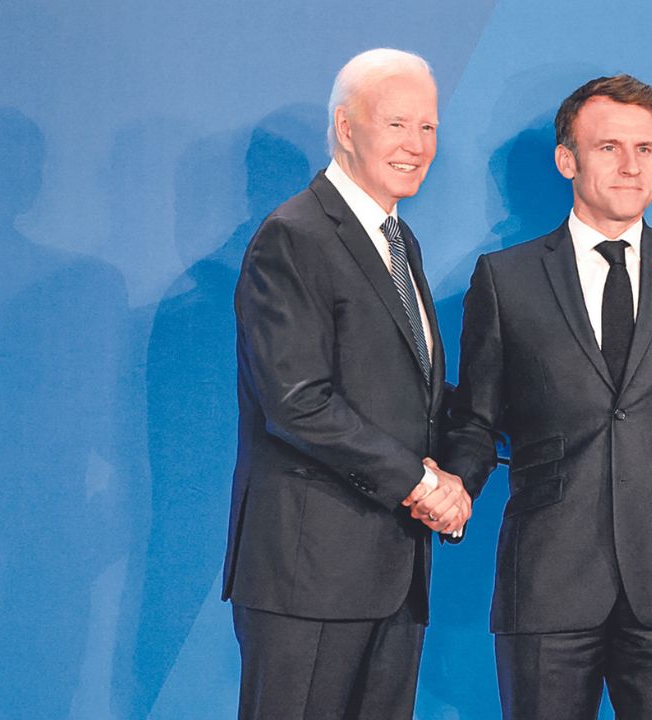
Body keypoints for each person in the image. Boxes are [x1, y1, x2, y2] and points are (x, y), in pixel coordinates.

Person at [442, 74, 652, 720]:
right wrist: (451, 488)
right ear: (567, 159)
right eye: (608, 148)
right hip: (545, 585)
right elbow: (477, 424)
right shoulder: (505, 281)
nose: (630, 166)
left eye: (645, 149)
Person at [222, 48, 471, 720]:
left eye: (428, 128)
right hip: (309, 579)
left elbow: (406, 397)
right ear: (345, 126)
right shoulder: (294, 236)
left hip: (392, 574)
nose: (417, 145)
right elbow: (298, 402)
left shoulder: (397, 240)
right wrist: (424, 487)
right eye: (397, 124)